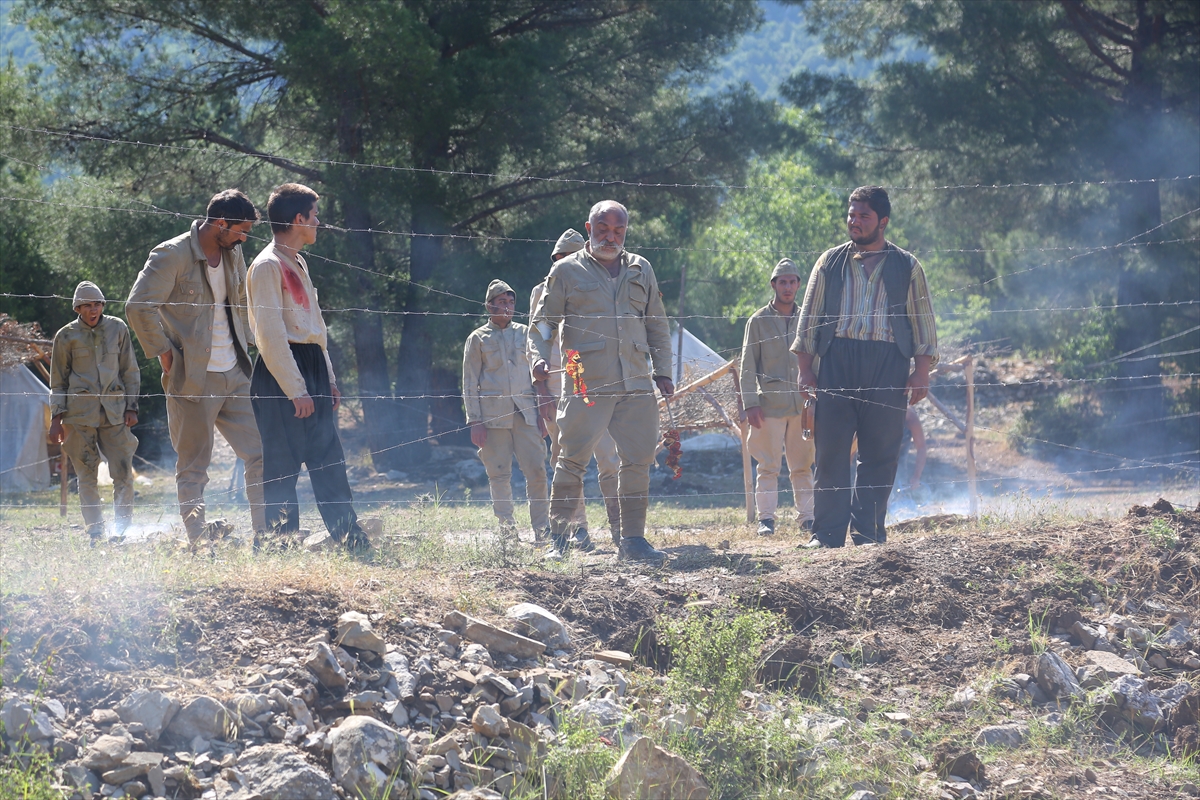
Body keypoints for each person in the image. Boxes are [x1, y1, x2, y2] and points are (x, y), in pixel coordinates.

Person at [793, 185, 938, 548]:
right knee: (831, 451)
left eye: (864, 216)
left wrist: (921, 371)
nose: (854, 222)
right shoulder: (830, 262)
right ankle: (826, 535)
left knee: (881, 452)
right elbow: (809, 318)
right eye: (851, 215)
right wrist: (805, 368)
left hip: (888, 363)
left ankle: (869, 533)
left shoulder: (907, 266)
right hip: (838, 360)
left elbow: (922, 320)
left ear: (883, 221)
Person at [530, 201, 674, 565]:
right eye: (603, 228)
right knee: (571, 458)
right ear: (588, 227)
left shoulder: (642, 268)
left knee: (638, 460)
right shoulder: (565, 271)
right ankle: (560, 540)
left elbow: (656, 322)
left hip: (637, 380)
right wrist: (538, 357)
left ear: (625, 231)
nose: (610, 236)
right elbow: (544, 323)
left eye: (618, 230)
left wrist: (664, 371)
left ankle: (633, 540)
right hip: (583, 378)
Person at [127, 190, 267, 545]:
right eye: (241, 230)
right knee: (193, 467)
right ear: (220, 223)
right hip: (191, 378)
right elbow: (137, 306)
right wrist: (163, 353)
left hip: (236, 373)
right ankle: (198, 541)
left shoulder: (233, 251)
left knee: (262, 452)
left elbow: (239, 302)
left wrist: (258, 345)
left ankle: (265, 535)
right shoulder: (171, 254)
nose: (244, 237)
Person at [246, 183, 369, 551]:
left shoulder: (298, 261)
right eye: (314, 215)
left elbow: (315, 329)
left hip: (310, 362)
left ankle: (350, 538)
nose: (318, 222)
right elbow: (269, 334)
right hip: (281, 372)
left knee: (329, 458)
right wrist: (296, 389)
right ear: (298, 219)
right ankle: (279, 545)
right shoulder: (267, 266)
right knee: (282, 464)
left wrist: (327, 378)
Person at [530, 229, 621, 549]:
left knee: (610, 458)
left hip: (599, 384)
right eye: (558, 259)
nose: (563, 264)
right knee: (566, 459)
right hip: (559, 388)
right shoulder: (542, 293)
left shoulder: (603, 288)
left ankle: (621, 530)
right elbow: (539, 339)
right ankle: (578, 529)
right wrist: (541, 390)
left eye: (569, 258)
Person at [48, 282, 140, 544]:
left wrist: (132, 407)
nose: (94, 309)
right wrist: (56, 419)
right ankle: (96, 531)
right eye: (88, 305)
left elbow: (130, 371)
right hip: (79, 416)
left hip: (115, 414)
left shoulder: (118, 328)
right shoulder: (65, 336)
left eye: (98, 304)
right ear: (77, 307)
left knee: (122, 473)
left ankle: (122, 531)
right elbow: (58, 381)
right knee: (86, 475)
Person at [463, 280, 550, 539]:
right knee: (499, 474)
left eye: (511, 302)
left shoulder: (525, 333)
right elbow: (469, 381)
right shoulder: (477, 338)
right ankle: (508, 535)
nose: (507, 307)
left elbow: (538, 375)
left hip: (527, 413)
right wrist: (474, 421)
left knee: (537, 472)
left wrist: (542, 415)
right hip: (492, 417)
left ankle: (543, 531)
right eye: (501, 302)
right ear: (489, 305)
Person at [739, 258, 815, 536]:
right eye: (782, 282)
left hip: (802, 405)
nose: (787, 287)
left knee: (803, 465)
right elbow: (747, 365)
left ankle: (808, 518)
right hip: (768, 405)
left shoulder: (808, 319)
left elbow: (816, 361)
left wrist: (818, 399)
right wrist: (751, 403)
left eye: (792, 281)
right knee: (767, 466)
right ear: (773, 285)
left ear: (798, 285)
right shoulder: (758, 321)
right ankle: (766, 520)